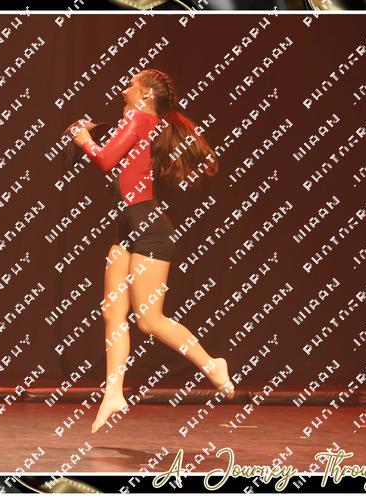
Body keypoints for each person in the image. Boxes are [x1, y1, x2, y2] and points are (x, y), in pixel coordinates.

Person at [71, 69, 235, 434]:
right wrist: (94, 135)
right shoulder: (142, 121)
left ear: (145, 95)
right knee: (112, 313)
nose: (124, 88)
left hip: (147, 229)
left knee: (148, 320)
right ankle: (113, 393)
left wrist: (83, 139)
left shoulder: (139, 118)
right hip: (127, 228)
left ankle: (212, 364)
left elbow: (105, 160)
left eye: (131, 84)